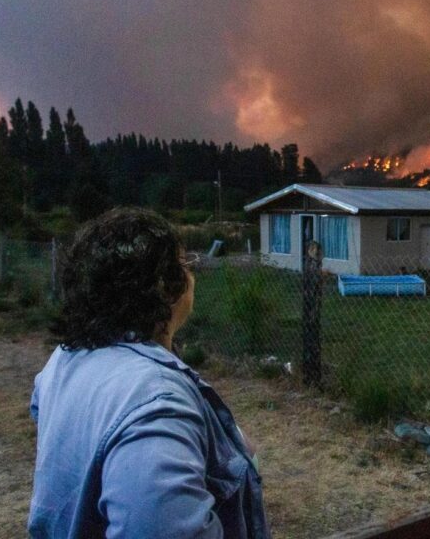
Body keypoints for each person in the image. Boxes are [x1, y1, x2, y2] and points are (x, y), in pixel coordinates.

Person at [28, 208, 270, 538]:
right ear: (165, 285)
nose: (192, 274)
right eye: (185, 264)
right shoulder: (156, 402)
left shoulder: (64, 361)